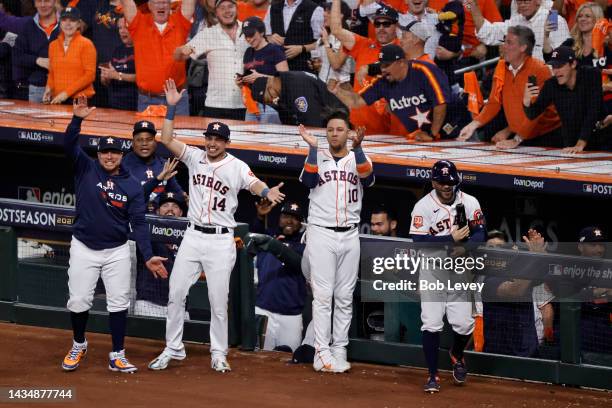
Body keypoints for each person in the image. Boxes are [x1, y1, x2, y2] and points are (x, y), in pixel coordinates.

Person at [148, 79, 285, 373]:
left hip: (222, 240)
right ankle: (173, 348)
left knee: (218, 301)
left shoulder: (236, 166)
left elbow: (253, 183)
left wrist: (266, 192)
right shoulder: (195, 156)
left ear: (226, 143)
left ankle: (218, 352)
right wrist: (171, 107)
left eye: (217, 139)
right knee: (175, 293)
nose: (211, 143)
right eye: (209, 137)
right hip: (194, 235)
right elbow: (166, 138)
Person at [61, 96, 168, 373]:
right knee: (78, 301)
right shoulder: (86, 168)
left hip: (117, 250)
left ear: (122, 156)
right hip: (84, 246)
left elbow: (140, 223)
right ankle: (79, 343)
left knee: (119, 303)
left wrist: (147, 256)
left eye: (115, 153)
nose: (109, 156)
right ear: (98, 154)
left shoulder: (131, 185)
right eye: (105, 152)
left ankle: (117, 354)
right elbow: (69, 144)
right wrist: (77, 120)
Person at [298, 111, 374, 373]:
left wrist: (361, 148)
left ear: (348, 132)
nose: (334, 133)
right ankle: (321, 351)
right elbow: (308, 181)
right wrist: (311, 148)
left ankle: (339, 348)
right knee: (323, 295)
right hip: (322, 232)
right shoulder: (317, 156)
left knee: (344, 295)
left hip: (350, 233)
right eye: (330, 129)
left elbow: (369, 178)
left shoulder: (357, 157)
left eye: (340, 129)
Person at [409, 160, 486, 392]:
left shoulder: (469, 201)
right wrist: (450, 240)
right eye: (442, 182)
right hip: (433, 271)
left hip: (460, 270)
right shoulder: (423, 206)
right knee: (431, 324)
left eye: (451, 182)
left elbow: (480, 231)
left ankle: (456, 354)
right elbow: (419, 241)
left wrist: (467, 246)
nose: (447, 186)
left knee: (464, 325)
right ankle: (432, 375)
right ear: (434, 182)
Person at [458, 25, 562, 149]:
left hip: (547, 136)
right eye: (504, 41)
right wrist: (473, 125)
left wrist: (517, 139)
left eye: (509, 42)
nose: (503, 46)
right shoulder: (501, 67)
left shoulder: (539, 70)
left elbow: (536, 113)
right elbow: (494, 103)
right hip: (522, 135)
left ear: (523, 47)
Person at [332, 44, 451, 141]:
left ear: (402, 63)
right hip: (424, 138)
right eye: (381, 65)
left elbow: (441, 103)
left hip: (451, 129)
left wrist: (432, 134)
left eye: (387, 65)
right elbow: (356, 101)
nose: (383, 70)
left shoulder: (423, 71)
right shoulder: (383, 81)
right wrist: (337, 91)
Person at [330, 0, 400, 135]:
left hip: (391, 128)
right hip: (359, 125)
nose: (381, 28)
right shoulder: (363, 44)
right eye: (377, 24)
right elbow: (336, 30)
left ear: (396, 26)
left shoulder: (402, 50)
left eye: (386, 24)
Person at [174, 0, 249, 120]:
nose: (227, 11)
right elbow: (178, 57)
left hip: (246, 105)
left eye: (230, 6)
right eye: (222, 8)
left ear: (237, 8)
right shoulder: (208, 34)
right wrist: (181, 50)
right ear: (216, 12)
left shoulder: (249, 31)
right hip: (216, 106)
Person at [249, 200, 306, 352]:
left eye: (295, 218)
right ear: (279, 219)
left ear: (301, 223)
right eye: (286, 216)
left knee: (289, 364)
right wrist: (260, 217)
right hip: (264, 310)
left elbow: (297, 263)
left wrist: (275, 246)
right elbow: (253, 235)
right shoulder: (267, 237)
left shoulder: (304, 246)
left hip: (291, 316)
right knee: (257, 360)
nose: (290, 221)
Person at [121, 0, 195, 115]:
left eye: (165, 2)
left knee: (180, 133)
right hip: (148, 100)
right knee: (147, 134)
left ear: (170, 5)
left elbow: (189, 3)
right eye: (157, 2)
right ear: (149, 6)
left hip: (178, 99)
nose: (161, 5)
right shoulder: (138, 23)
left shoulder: (180, 21)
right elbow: (126, 3)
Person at [523, 45, 603, 152]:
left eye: (560, 66)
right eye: (553, 67)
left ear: (573, 64)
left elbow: (593, 111)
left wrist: (581, 143)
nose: (556, 71)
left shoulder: (591, 75)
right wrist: (526, 101)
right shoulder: (551, 85)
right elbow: (532, 114)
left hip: (599, 138)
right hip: (570, 142)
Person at [481, 228, 546, 358]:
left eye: (500, 247)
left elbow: (544, 274)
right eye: (490, 247)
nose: (495, 251)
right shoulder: (489, 282)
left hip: (529, 354)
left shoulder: (523, 274)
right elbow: (515, 290)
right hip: (500, 358)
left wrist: (541, 254)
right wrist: (534, 257)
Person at [134, 192, 190, 320]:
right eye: (165, 205)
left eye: (175, 206)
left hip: (180, 306)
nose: (170, 209)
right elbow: (134, 208)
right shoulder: (147, 229)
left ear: (181, 213)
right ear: (158, 211)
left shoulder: (190, 235)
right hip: (149, 304)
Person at [466, 0, 570, 61]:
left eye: (526, 1)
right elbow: (488, 33)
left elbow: (564, 56)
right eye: (519, 1)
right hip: (522, 81)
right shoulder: (516, 21)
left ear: (538, 1)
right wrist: (474, 9)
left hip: (548, 80)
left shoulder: (554, 19)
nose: (523, 5)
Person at [250, 71, 348, 127]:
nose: (272, 101)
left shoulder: (296, 87)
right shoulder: (283, 86)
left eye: (269, 99)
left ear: (270, 88)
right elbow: (288, 122)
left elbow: (313, 124)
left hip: (338, 121)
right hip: (325, 123)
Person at [122, 120, 185, 207]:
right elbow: (133, 198)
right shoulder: (123, 165)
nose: (144, 143)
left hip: (159, 216)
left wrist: (185, 198)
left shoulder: (164, 164)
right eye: (139, 140)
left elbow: (177, 193)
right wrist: (158, 179)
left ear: (155, 143)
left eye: (149, 139)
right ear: (133, 143)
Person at [238, 15, 288, 123]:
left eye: (251, 35)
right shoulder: (248, 52)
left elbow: (286, 80)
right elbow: (248, 80)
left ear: (261, 32)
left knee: (269, 139)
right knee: (248, 138)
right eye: (246, 35)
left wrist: (261, 77)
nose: (248, 39)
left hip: (270, 105)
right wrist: (241, 83)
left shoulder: (275, 50)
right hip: (252, 105)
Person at [43, 7, 96, 104]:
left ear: (79, 24)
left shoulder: (87, 44)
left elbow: (90, 75)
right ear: (60, 23)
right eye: (64, 20)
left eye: (72, 20)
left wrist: (66, 94)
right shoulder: (53, 45)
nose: (68, 24)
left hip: (80, 101)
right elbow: (52, 72)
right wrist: (48, 88)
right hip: (58, 100)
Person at [12, 0, 59, 103]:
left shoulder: (68, 23)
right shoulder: (27, 26)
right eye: (38, 1)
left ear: (55, 1)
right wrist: (38, 60)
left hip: (65, 89)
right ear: (34, 3)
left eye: (46, 1)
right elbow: (17, 56)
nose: (42, 5)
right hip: (37, 89)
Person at [576, 226, 611, 355]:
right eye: (593, 244)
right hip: (578, 327)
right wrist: (596, 292)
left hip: (604, 329)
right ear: (580, 247)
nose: (599, 249)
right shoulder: (568, 268)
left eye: (601, 245)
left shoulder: (608, 269)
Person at [263, 0, 324, 72]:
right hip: (275, 67)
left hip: (302, 69)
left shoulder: (316, 9)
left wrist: (302, 49)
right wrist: (271, 38)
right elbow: (265, 36)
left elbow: (321, 42)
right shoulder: (272, 8)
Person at [310, 1, 354, 90]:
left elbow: (336, 65)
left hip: (340, 89)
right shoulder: (323, 37)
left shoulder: (348, 37)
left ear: (340, 15)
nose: (324, 14)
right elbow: (323, 65)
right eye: (325, 11)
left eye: (329, 12)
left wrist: (326, 43)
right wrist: (317, 65)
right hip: (321, 86)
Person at [100, 16, 137, 111]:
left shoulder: (141, 49)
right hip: (114, 105)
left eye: (126, 27)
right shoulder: (117, 50)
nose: (122, 31)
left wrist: (118, 75)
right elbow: (109, 78)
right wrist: (105, 77)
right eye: (120, 28)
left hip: (133, 106)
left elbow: (143, 78)